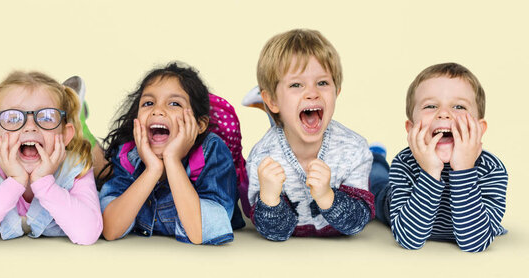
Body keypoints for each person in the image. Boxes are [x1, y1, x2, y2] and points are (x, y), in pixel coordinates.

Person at [247, 29, 374, 241]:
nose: (312, 93)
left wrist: (327, 196)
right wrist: (270, 199)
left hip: (366, 171)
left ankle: (378, 157)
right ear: (272, 101)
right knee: (241, 188)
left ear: (337, 92)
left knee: (379, 180)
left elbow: (357, 224)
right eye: (296, 85)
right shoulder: (262, 157)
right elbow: (276, 233)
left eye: (323, 83)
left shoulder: (354, 150)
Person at [0, 71, 103, 246]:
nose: (30, 127)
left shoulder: (75, 167)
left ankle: (80, 121)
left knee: (104, 164)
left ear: (64, 134)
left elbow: (88, 234)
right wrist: (14, 183)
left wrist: (44, 184)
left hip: (89, 159)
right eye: (12, 118)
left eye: (46, 117)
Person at [98, 62, 240, 245]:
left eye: (174, 104)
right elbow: (111, 230)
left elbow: (199, 233)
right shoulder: (128, 155)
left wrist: (172, 160)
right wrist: (152, 170)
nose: (157, 110)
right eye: (148, 103)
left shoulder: (211, 152)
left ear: (199, 125)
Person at [374, 62, 508, 252]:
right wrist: (430, 171)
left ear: (479, 129)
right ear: (411, 129)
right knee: (375, 183)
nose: (444, 113)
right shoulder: (405, 163)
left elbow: (475, 243)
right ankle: (376, 157)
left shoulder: (491, 170)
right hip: (385, 202)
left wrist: (464, 169)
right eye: (430, 106)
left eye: (459, 106)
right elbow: (409, 239)